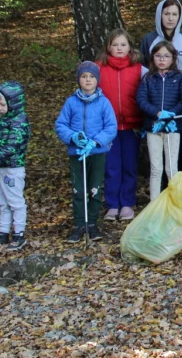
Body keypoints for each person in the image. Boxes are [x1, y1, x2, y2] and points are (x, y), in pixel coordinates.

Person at [140, 0, 182, 175]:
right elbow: (143, 69)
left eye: (174, 14)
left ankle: (180, 184)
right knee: (159, 149)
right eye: (166, 13)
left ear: (180, 16)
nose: (170, 18)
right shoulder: (149, 40)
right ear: (159, 15)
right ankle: (163, 186)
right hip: (158, 105)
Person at [55, 62, 117, 243]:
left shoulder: (104, 102)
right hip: (77, 153)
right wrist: (73, 137)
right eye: (84, 76)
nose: (88, 80)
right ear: (78, 80)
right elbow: (61, 124)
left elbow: (111, 127)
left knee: (94, 188)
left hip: (96, 153)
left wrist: (96, 142)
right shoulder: (71, 102)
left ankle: (92, 223)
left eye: (91, 77)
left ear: (97, 80)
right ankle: (79, 224)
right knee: (78, 189)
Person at [97, 29, 146, 222]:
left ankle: (127, 203)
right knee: (112, 167)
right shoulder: (98, 68)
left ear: (129, 47)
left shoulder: (139, 69)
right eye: (115, 45)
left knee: (129, 166)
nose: (119, 48)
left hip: (132, 126)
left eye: (123, 45)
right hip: (108, 128)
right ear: (108, 47)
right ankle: (112, 205)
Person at [135, 41, 182, 202]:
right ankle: (154, 204)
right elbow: (141, 100)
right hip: (153, 128)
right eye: (158, 56)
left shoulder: (180, 78)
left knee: (171, 168)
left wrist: (172, 113)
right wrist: (157, 113)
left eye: (166, 56)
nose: (162, 59)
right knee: (156, 168)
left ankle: (175, 203)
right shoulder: (148, 78)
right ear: (152, 58)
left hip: (173, 128)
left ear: (173, 58)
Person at [0, 81, 31, 251]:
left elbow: (12, 146)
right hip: (0, 169)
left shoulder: (20, 121)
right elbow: (4, 139)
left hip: (11, 169)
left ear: (14, 103)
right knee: (3, 202)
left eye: (2, 105)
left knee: (15, 202)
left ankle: (19, 234)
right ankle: (3, 233)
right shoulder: (5, 119)